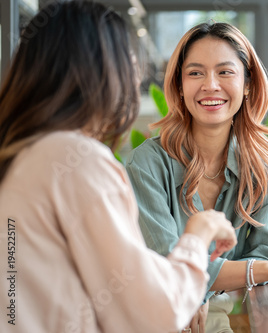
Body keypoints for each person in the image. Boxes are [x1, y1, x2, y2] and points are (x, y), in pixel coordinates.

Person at [0, 2, 237, 333]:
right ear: (102, 70)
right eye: (129, 60)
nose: (135, 74)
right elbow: (153, 314)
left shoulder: (19, 156)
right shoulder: (78, 160)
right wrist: (200, 232)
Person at [125, 22, 268, 332]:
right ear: (179, 86)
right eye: (195, 73)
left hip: (210, 315)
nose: (210, 85)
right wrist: (261, 271)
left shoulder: (264, 166)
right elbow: (168, 265)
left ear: (247, 83)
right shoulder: (147, 163)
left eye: (225, 72)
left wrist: (203, 289)